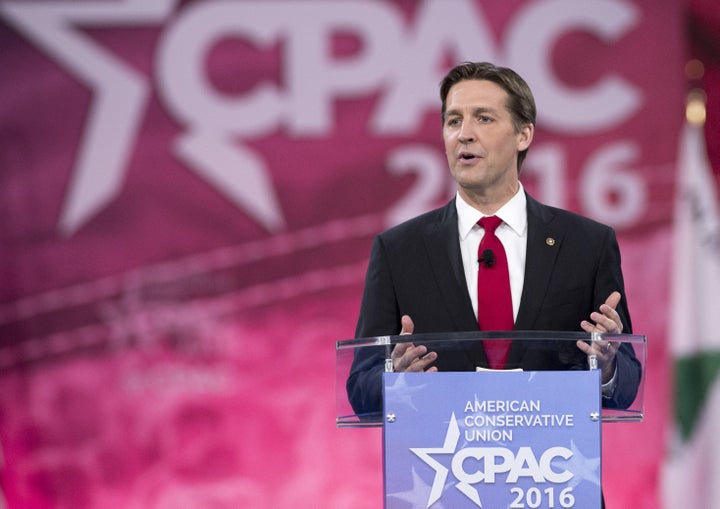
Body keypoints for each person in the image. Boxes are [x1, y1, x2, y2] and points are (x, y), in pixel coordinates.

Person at [346, 61, 641, 417]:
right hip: (441, 464)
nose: (464, 134)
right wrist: (395, 377)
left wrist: (606, 366)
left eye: (483, 118)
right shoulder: (399, 252)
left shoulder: (586, 245)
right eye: (454, 121)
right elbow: (361, 388)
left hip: (551, 462)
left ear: (524, 135)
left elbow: (625, 386)